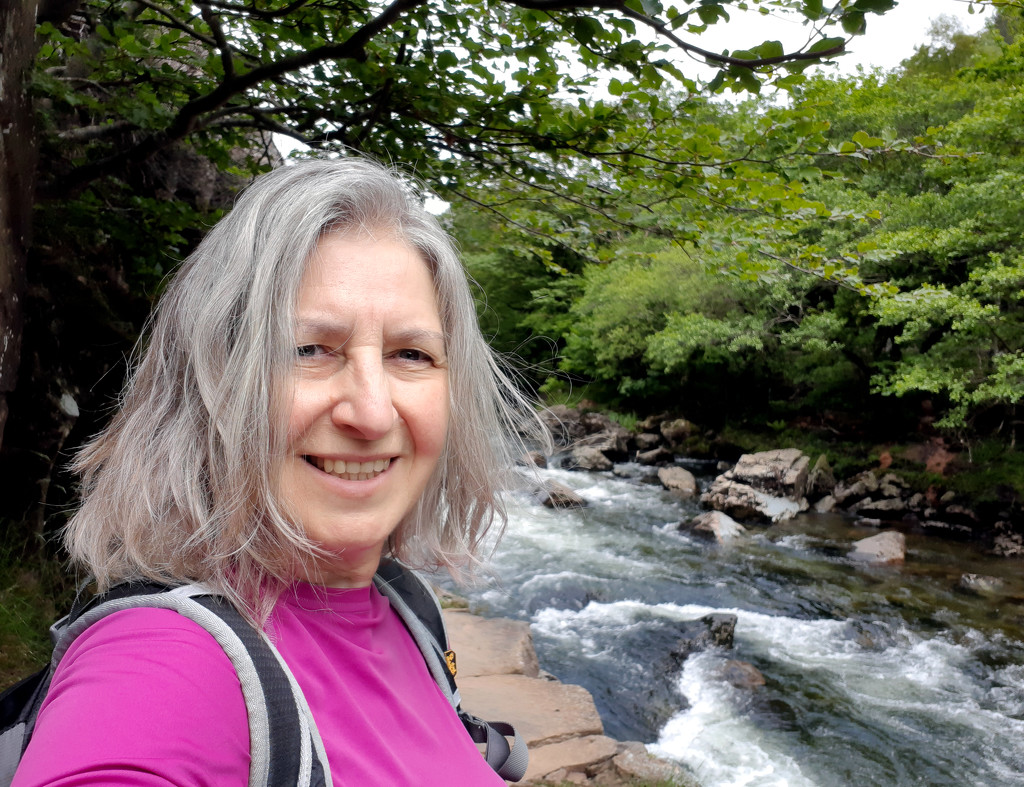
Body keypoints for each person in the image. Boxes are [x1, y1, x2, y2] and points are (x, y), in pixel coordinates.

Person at [13, 156, 545, 786]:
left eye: (411, 353)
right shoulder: (163, 666)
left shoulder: (408, 610)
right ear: (208, 383)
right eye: (309, 350)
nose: (372, 412)